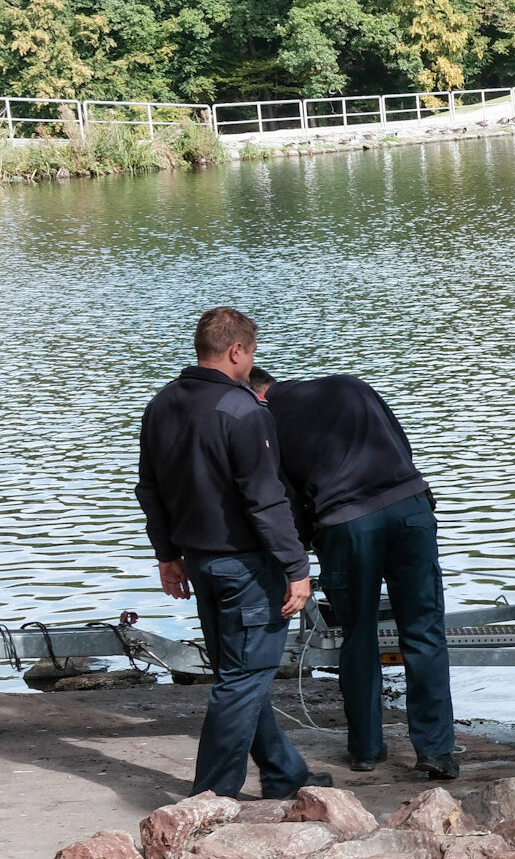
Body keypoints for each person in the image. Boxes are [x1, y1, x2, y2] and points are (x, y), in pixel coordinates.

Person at [136, 307, 330, 799]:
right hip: (246, 565)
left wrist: (167, 554)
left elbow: (150, 488)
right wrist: (296, 566)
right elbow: (265, 499)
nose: (252, 362)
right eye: (251, 353)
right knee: (243, 679)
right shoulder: (244, 411)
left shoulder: (161, 405)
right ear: (236, 350)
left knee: (239, 673)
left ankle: (286, 775)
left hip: (200, 561)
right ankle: (212, 798)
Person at [249, 368, 457, 780]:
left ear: (256, 394)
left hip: (345, 525)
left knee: (359, 634)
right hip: (410, 509)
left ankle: (366, 749)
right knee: (424, 631)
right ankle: (435, 752)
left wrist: (299, 556)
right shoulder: (350, 385)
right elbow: (401, 445)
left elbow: (285, 498)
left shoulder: (265, 418)